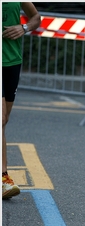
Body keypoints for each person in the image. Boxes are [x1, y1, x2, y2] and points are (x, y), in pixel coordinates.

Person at [2, 2, 41, 199]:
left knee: (5, 119)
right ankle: (3, 179)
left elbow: (36, 17)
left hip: (12, 61)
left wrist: (23, 27)